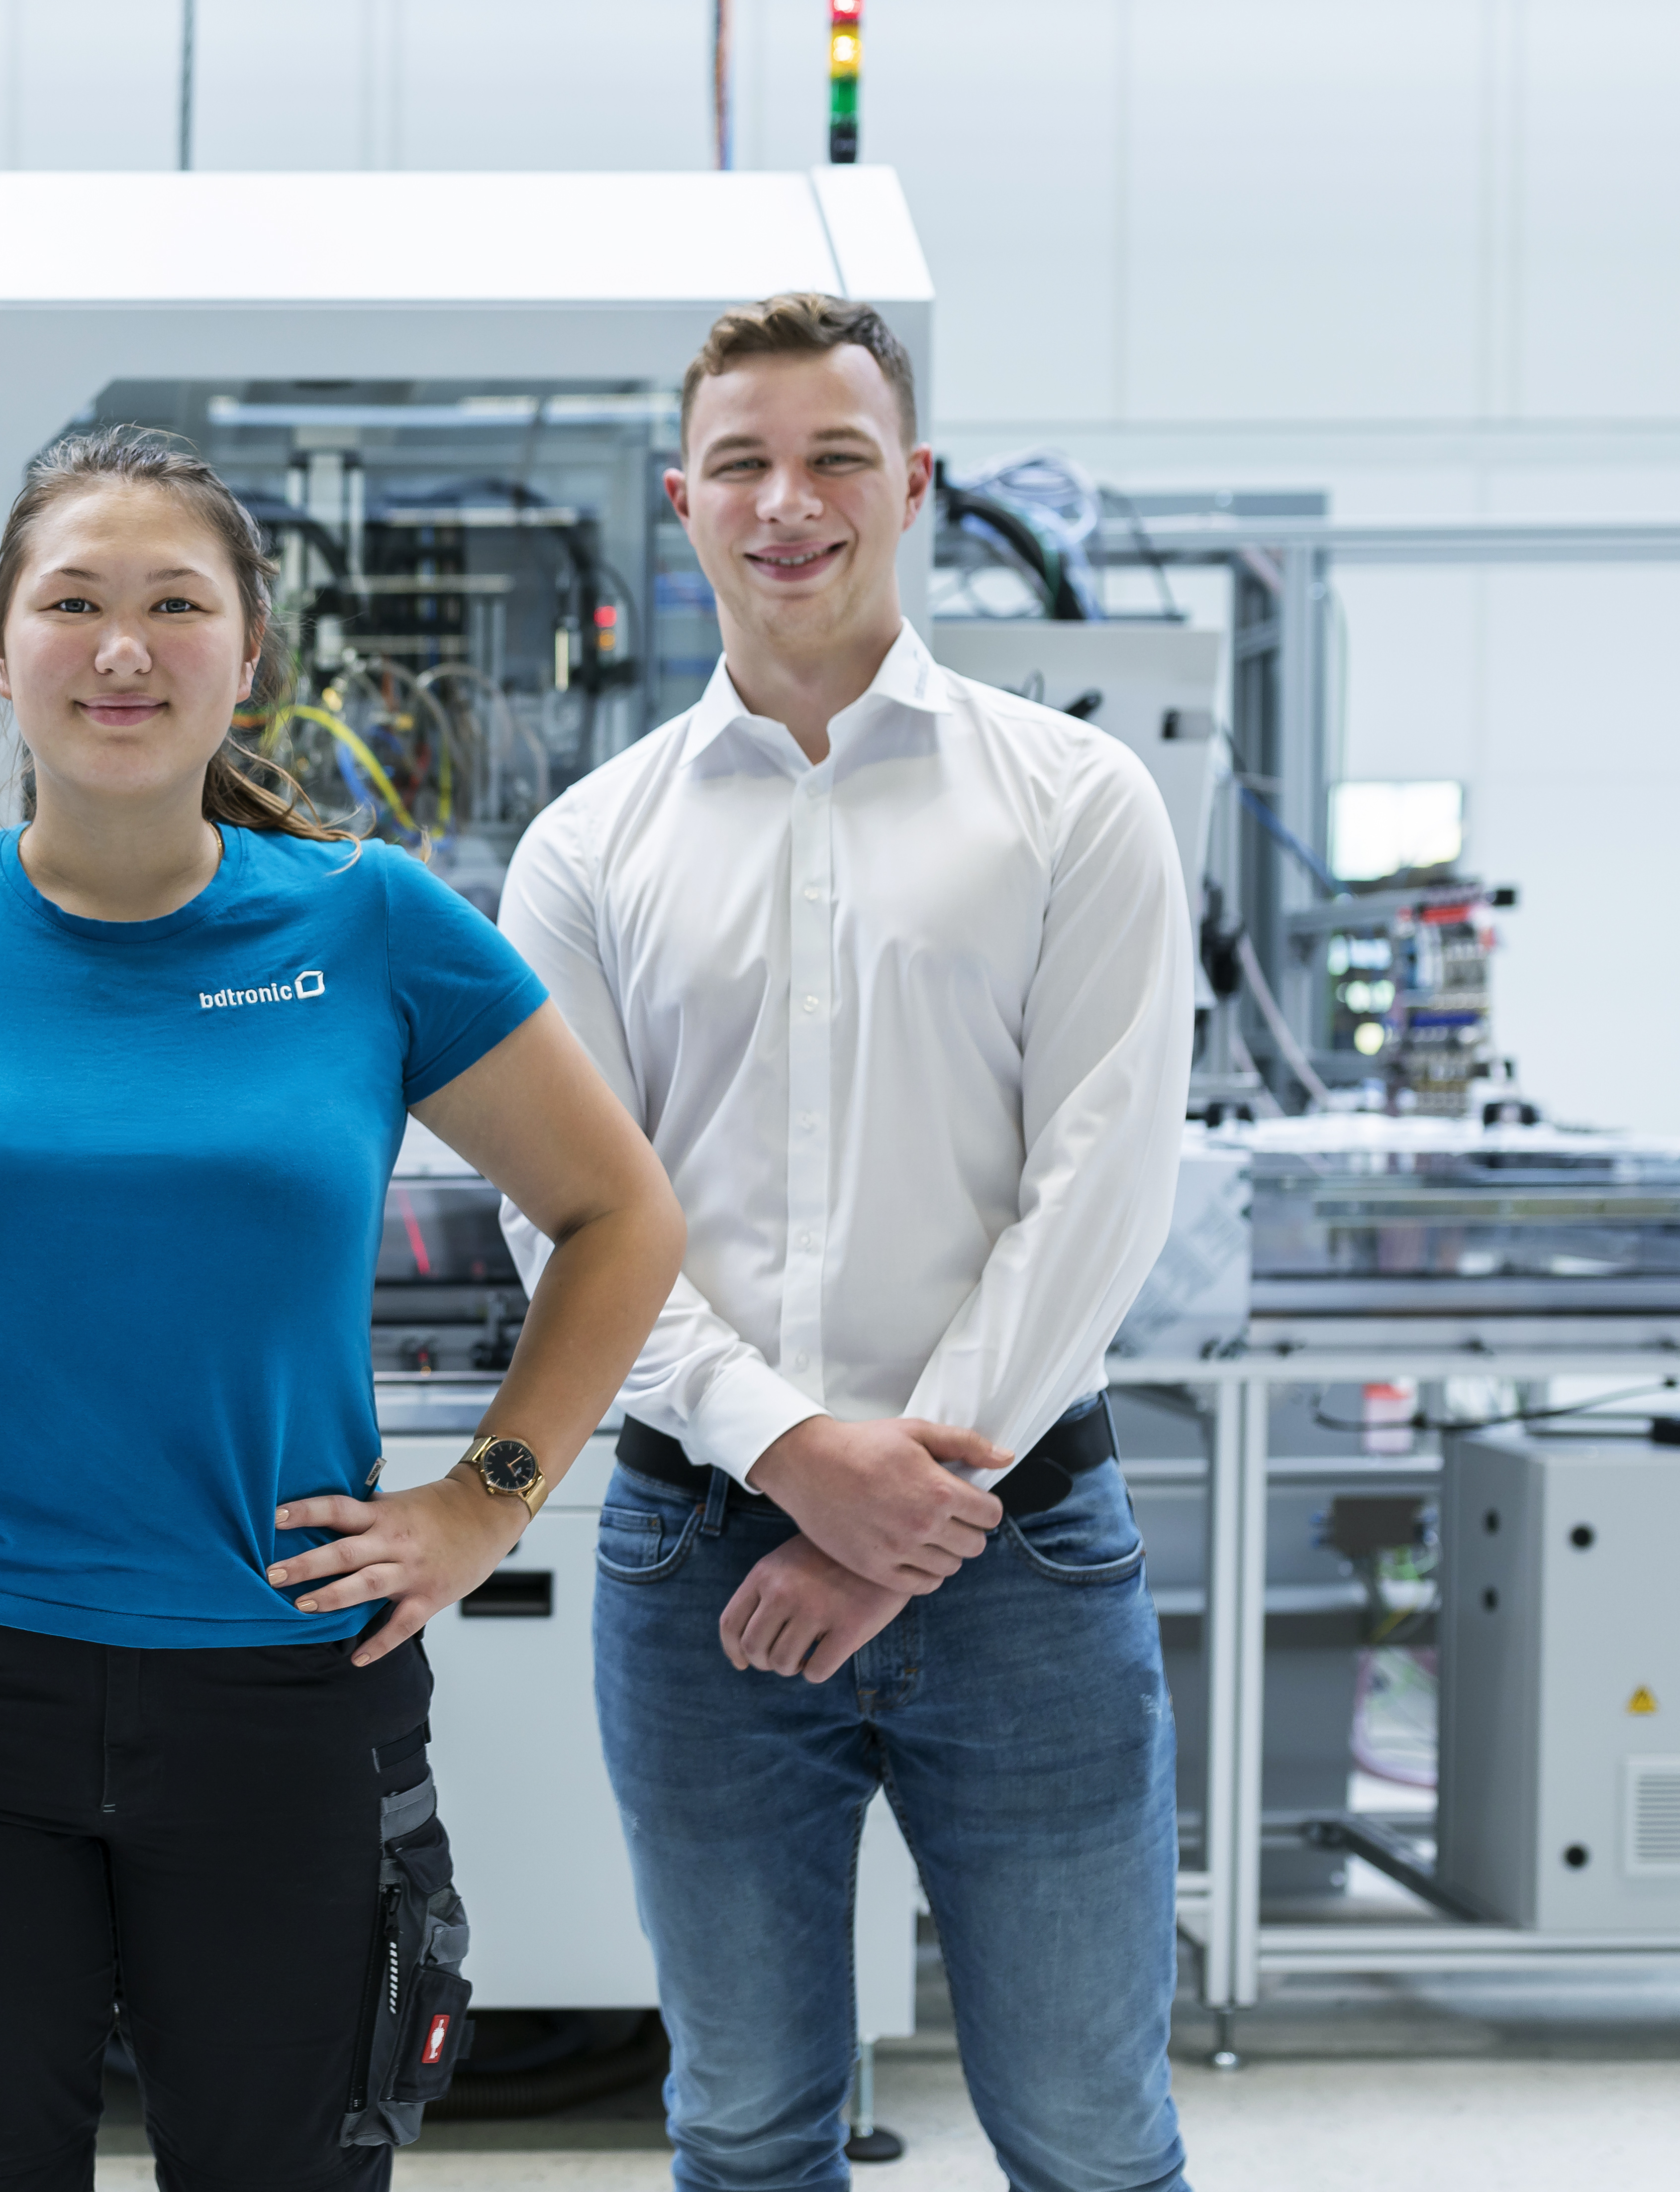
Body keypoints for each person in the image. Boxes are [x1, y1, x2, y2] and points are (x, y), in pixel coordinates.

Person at [0, 426, 686, 2192]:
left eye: (177, 604)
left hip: (288, 1691)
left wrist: (484, 1501)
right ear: (3, 650)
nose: (123, 647)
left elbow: (619, 1214)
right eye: (73, 602)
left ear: (249, 653)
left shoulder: (371, 924)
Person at [497, 292, 1195, 2192]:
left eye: (832, 458)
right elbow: (567, 1210)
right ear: (684, 497)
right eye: (743, 463)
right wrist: (798, 1455)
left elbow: (1109, 1173)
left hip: (1027, 1550)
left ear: (916, 485)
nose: (786, 503)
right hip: (697, 1546)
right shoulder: (587, 846)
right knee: (742, 2120)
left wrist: (912, 1506)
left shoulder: (1074, 802)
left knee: (1086, 2125)